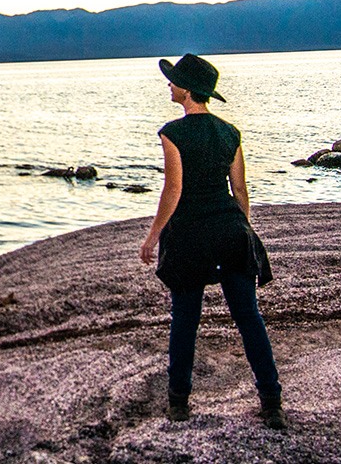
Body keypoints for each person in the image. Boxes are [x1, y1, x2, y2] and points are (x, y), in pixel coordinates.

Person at [138, 53, 285, 429]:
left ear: (186, 91)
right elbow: (240, 189)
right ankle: (271, 403)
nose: (169, 85)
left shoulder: (173, 132)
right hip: (231, 231)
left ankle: (179, 404)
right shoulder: (229, 131)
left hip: (190, 236)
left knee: (186, 319)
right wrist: (244, 230)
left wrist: (152, 237)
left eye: (173, 81)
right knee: (249, 318)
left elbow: (173, 190)